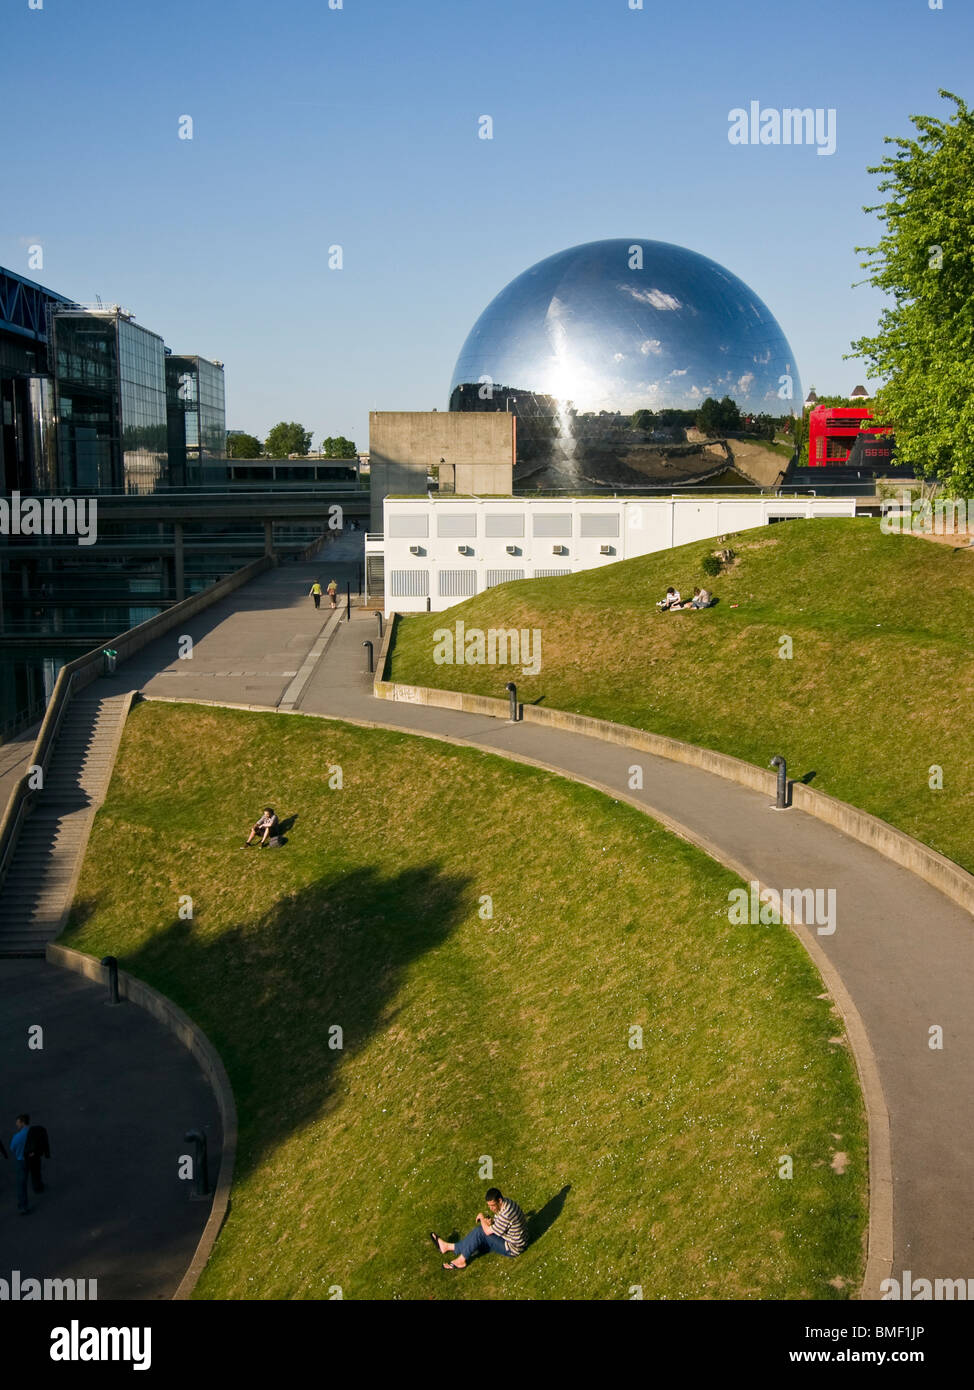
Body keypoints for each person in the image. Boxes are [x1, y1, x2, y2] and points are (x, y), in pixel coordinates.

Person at [431, 1187, 528, 1270]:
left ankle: (461, 1260)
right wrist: (491, 1222)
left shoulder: (506, 1213)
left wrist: (482, 1218)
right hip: (516, 1239)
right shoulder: (507, 1203)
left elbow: (487, 1231)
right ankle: (448, 1247)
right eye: (489, 1206)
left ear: (499, 1200)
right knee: (478, 1237)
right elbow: (503, 1224)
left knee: (480, 1232)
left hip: (513, 1248)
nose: (491, 1209)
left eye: (493, 1205)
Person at [9, 1115, 30, 1214]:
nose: (16, 1124)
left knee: (21, 1184)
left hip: (22, 1160)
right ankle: (38, 1186)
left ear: (22, 1122)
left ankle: (23, 1206)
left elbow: (12, 1148)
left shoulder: (17, 1137)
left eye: (17, 1122)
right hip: (32, 1158)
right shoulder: (31, 1132)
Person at [25, 1119, 49, 1193]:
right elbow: (45, 1144)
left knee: (33, 1172)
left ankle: (36, 1186)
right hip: (35, 1155)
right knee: (36, 1171)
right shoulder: (41, 1134)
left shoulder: (29, 1136)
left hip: (30, 1155)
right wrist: (46, 1154)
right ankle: (38, 1186)